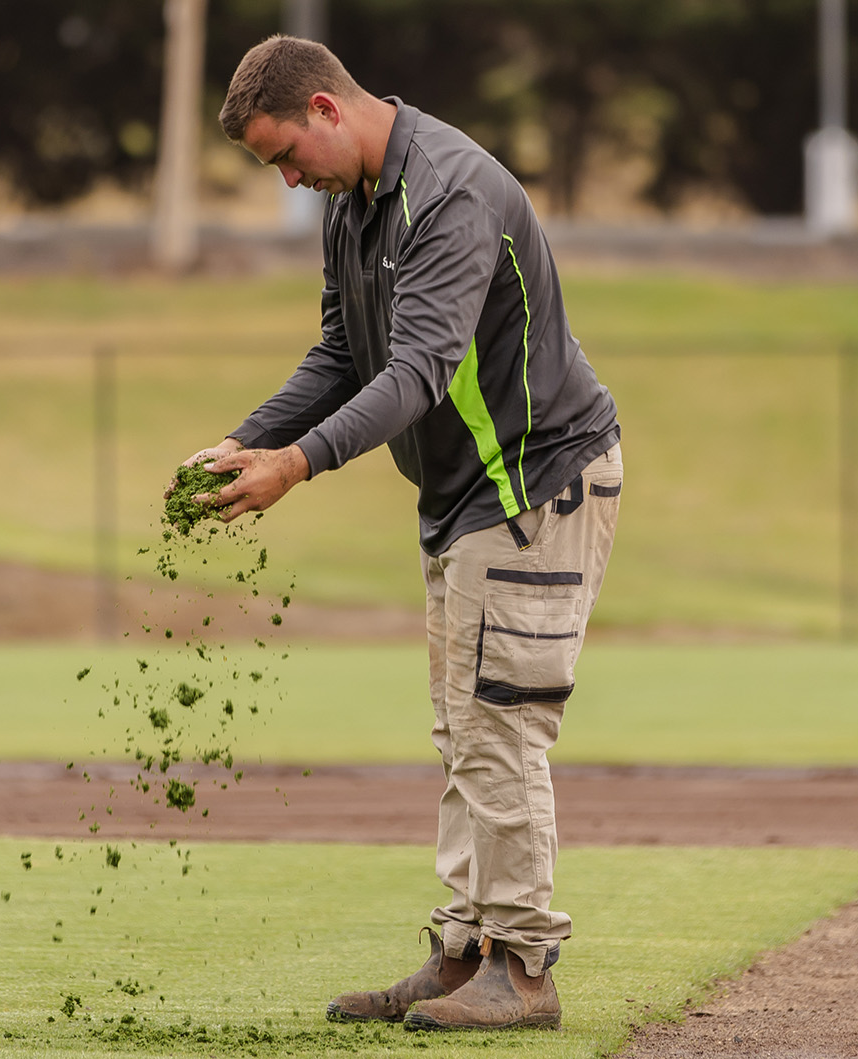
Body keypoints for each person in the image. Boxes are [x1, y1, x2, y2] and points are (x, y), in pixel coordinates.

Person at [183, 34, 622, 1032]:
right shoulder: (355, 207)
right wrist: (242, 440)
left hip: (533, 482)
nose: (290, 179)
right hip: (466, 494)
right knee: (462, 727)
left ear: (327, 109)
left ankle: (524, 967)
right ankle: (464, 954)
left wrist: (294, 466)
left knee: (498, 724)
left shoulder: (450, 193)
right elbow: (344, 353)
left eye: (286, 155)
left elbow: (417, 372)